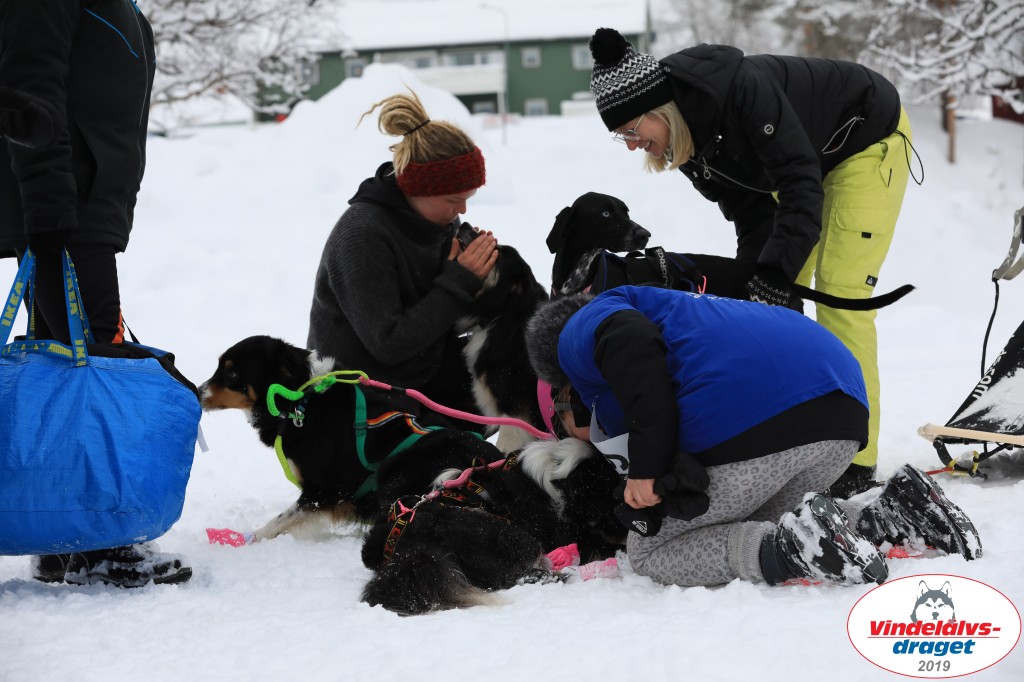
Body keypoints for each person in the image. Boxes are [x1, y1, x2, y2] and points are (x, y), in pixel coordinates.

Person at [587, 27, 918, 497]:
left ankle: (855, 462)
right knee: (773, 303)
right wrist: (757, 283)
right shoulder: (688, 144)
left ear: (657, 109)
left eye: (630, 130)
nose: (630, 144)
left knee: (838, 296)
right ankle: (801, 433)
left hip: (863, 138)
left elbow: (799, 182)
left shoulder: (741, 90)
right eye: (619, 136)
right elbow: (751, 212)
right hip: (804, 163)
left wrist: (775, 273)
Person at [525, 287, 980, 588]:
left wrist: (644, 470)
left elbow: (631, 345)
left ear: (565, 388)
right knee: (761, 519)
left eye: (563, 416)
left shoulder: (580, 330)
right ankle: (891, 517)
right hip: (840, 414)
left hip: (765, 422)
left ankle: (790, 551)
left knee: (651, 550)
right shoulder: (674, 310)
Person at [0, 0, 191, 587]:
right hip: (64, 206)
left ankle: (66, 538)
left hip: (81, 205)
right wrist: (48, 203)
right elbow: (28, 89)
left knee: (66, 368)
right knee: (96, 362)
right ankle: (101, 544)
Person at [307, 89, 498, 422]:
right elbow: (390, 344)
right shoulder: (363, 235)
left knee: (510, 372)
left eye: (467, 199)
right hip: (356, 403)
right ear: (418, 188)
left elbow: (437, 310)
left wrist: (487, 278)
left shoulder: (438, 221)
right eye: (454, 200)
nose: (463, 210)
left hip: (419, 376)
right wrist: (460, 280)